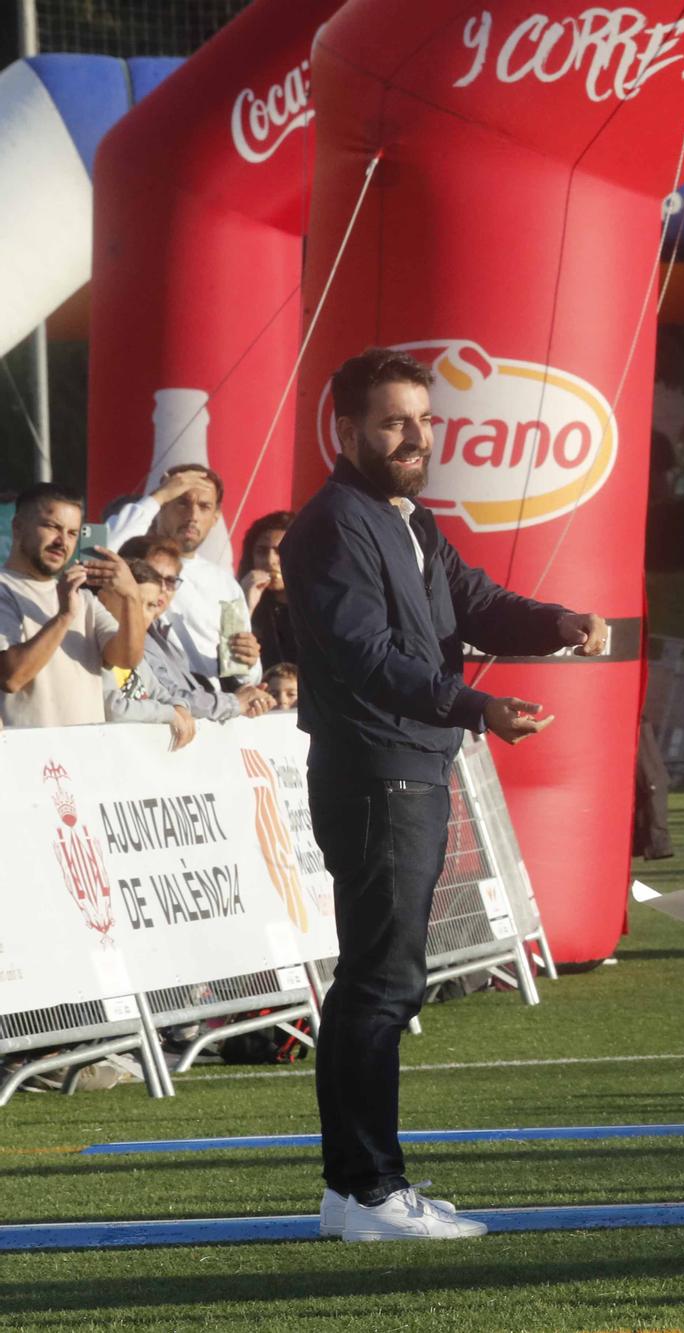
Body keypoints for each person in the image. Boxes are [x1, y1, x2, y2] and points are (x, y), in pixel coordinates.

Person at [284, 347, 609, 1243]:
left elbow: (471, 602)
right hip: (376, 768)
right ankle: (369, 1189)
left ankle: (356, 1190)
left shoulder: (408, 518)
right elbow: (366, 658)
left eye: (425, 420)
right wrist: (478, 705)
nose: (416, 437)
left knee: (379, 981)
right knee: (381, 983)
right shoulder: (332, 525)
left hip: (409, 764)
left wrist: (556, 622)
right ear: (345, 430)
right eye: (394, 422)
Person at [0, 483, 145, 728]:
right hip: (31, 760)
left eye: (72, 533)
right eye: (51, 527)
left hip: (85, 754)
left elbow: (125, 659)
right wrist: (64, 616)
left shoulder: (84, 598)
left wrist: (131, 596)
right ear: (18, 527)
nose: (62, 541)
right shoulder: (5, 588)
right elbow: (12, 677)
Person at [105, 464, 262, 685]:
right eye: (182, 502)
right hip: (146, 704)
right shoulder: (132, 562)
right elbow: (101, 552)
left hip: (211, 709)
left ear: (216, 517)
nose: (192, 516)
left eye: (204, 506)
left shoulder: (226, 584)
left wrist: (250, 662)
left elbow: (244, 674)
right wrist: (156, 497)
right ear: (162, 507)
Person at [120, 538, 275, 722]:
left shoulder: (158, 632)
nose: (162, 589)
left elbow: (187, 693)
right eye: (152, 577)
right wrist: (235, 702)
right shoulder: (126, 633)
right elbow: (174, 698)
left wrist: (240, 694)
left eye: (170, 581)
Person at [102, 561, 199, 750]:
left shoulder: (140, 655)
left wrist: (180, 707)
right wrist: (169, 714)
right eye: (134, 602)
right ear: (105, 599)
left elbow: (161, 693)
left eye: (151, 605)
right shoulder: (98, 647)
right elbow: (115, 710)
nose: (142, 613)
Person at [239, 510, 299, 668]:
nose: (270, 560)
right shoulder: (239, 601)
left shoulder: (319, 608)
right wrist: (244, 606)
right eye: (261, 552)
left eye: (280, 552)